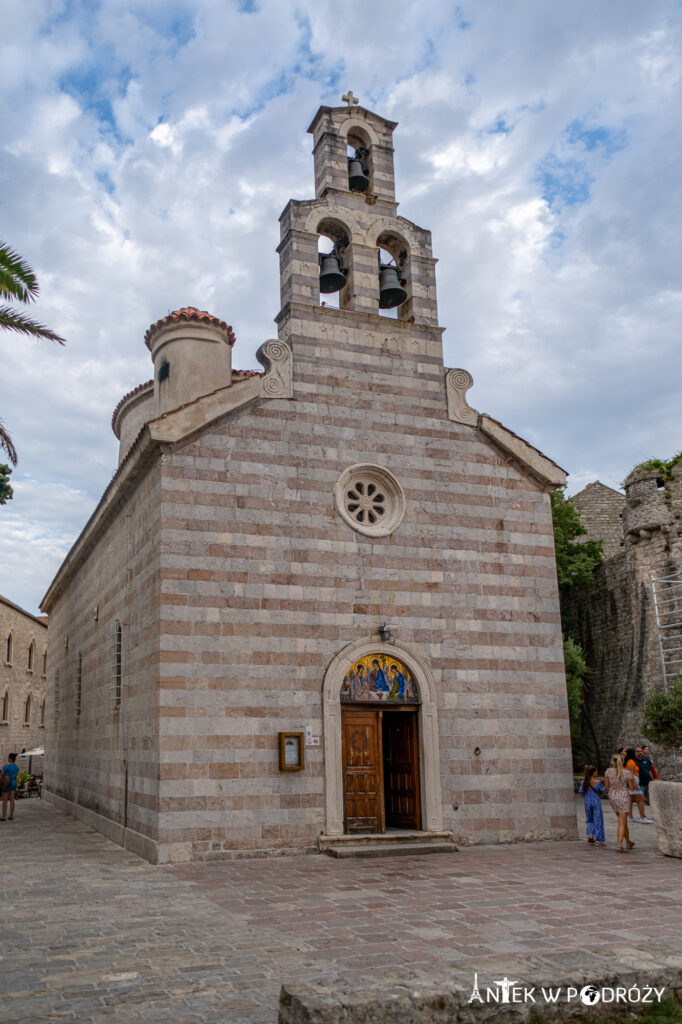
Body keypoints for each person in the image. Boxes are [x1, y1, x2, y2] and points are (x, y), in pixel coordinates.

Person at [604, 754, 636, 852]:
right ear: (623, 761)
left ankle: (628, 842)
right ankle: (619, 845)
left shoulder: (608, 772)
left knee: (623, 821)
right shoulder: (627, 773)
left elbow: (607, 786)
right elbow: (631, 788)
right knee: (622, 822)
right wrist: (633, 783)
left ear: (612, 762)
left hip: (613, 797)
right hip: (623, 797)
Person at [624, 747, 653, 823]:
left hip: (632, 781)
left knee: (630, 800)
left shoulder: (629, 761)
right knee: (640, 799)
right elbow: (630, 774)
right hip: (634, 781)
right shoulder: (631, 762)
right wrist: (635, 784)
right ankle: (642, 817)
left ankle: (630, 817)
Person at [578, 765, 605, 846]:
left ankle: (590, 835)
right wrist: (602, 783)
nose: (597, 773)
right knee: (598, 819)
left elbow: (581, 794)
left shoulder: (584, 782)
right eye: (596, 771)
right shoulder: (597, 782)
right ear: (593, 773)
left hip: (587, 802)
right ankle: (598, 840)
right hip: (596, 802)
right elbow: (601, 792)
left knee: (589, 819)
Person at [1, 752, 19, 821]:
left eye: (8, 758)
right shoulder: (16, 767)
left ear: (10, 759)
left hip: (7, 783)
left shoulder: (7, 766)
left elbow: (2, 775)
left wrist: (3, 768)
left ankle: (4, 816)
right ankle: (11, 815)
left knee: (5, 800)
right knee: (12, 799)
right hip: (14, 783)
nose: (8, 759)